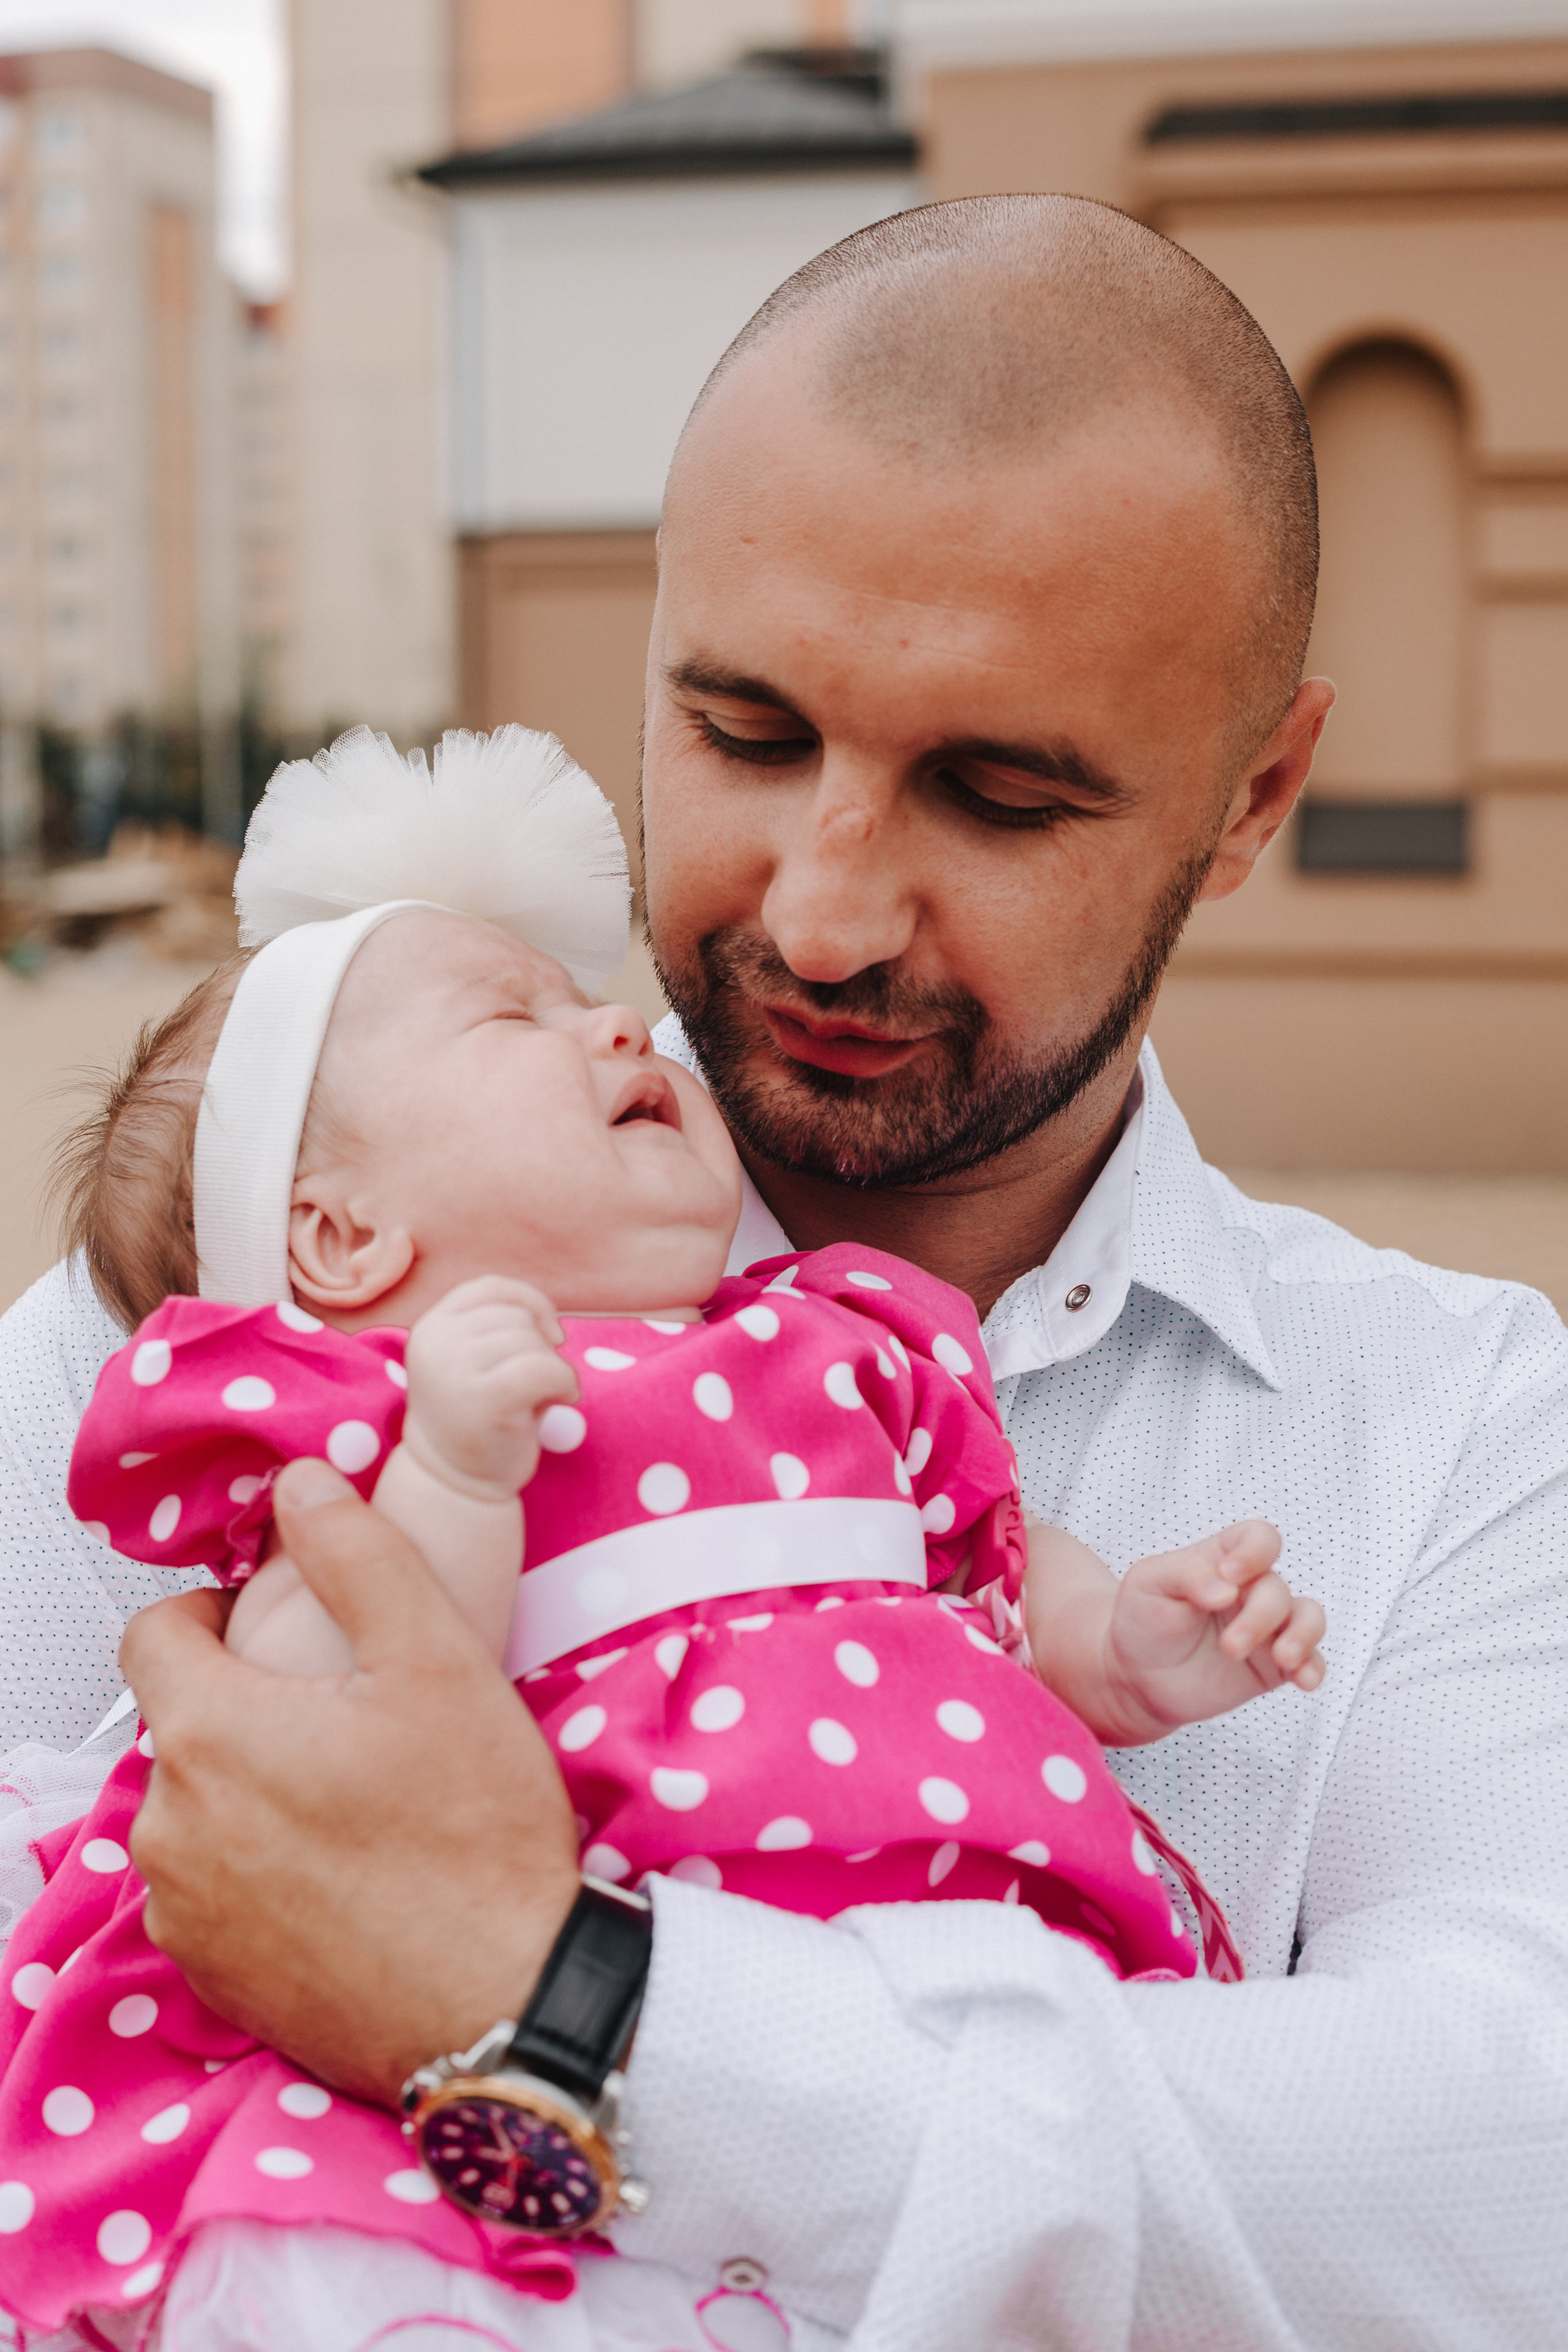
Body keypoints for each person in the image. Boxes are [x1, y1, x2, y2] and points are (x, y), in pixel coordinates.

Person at [1, 194, 1566, 2348]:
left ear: (1251, 794)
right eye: (742, 735)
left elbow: (1501, 2180)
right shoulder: (239, 1308)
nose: (824, 915)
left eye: (998, 795)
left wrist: (562, 2001)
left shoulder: (1458, 1427)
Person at [1, 726, 1319, 2342]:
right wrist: (457, 1483)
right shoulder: (373, 1428)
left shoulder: (835, 1337)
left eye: (583, 1000)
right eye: (517, 1017)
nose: (615, 1018)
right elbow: (310, 1697)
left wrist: (1124, 1642)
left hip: (942, 1974)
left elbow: (974, 1567)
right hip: (547, 2040)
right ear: (342, 1238)